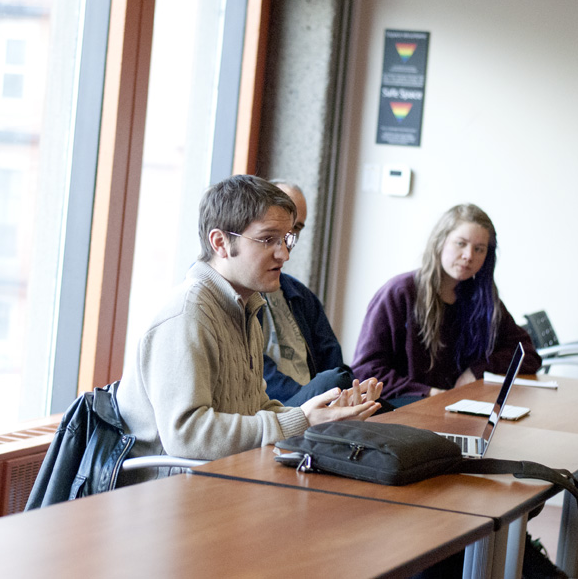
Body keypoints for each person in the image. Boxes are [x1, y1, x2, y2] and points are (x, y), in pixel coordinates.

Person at [117, 174, 381, 484]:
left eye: (287, 239)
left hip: (221, 478)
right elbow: (187, 435)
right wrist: (301, 419)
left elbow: (255, 409)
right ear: (221, 243)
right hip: (172, 495)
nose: (284, 253)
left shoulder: (244, 308)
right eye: (268, 239)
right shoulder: (187, 315)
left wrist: (322, 414)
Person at [351, 203, 541, 406]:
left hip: (460, 409)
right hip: (407, 411)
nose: (469, 255)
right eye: (461, 243)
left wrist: (478, 370)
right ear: (441, 242)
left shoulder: (483, 300)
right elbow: (366, 371)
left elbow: (527, 354)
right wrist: (429, 393)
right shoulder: (399, 293)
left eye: (479, 249)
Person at [259, 181, 354, 407]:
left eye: (297, 229)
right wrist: (316, 397)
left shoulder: (300, 295)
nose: (288, 240)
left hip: (317, 404)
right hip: (277, 407)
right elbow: (255, 373)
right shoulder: (235, 295)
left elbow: (333, 361)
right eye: (280, 228)